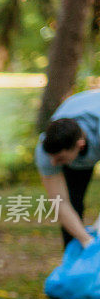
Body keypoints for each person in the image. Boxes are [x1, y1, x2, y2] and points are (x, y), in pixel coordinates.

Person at [35, 89, 100, 248]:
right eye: (52, 156)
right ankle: (74, 261)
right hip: (81, 141)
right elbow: (60, 201)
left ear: (80, 145)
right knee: (73, 200)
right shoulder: (46, 150)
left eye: (60, 158)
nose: (53, 163)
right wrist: (87, 241)